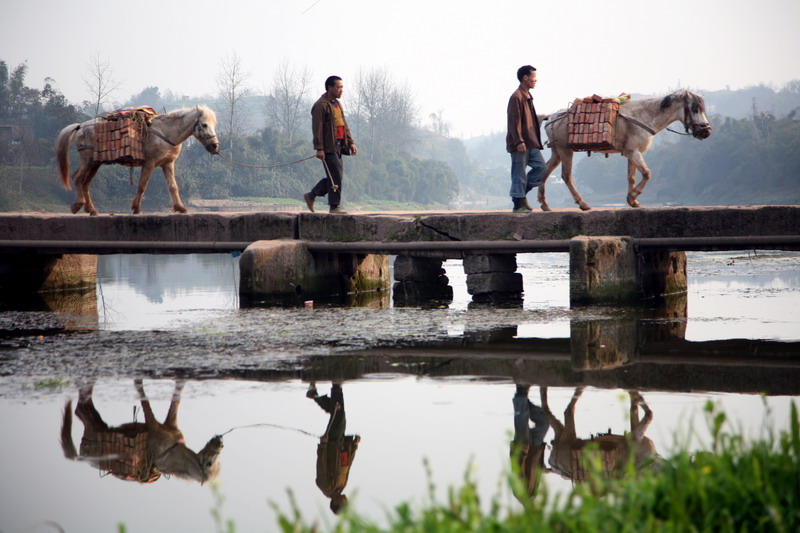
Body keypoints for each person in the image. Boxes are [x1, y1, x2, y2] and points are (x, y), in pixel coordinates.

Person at [304, 76, 358, 214]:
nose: (341, 90)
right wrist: (319, 148)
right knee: (336, 177)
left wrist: (350, 142)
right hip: (328, 147)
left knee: (334, 176)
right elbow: (317, 129)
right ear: (329, 87)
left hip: (340, 146)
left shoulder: (337, 104)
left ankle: (311, 195)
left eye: (342, 87)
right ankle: (334, 207)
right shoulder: (320, 105)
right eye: (338, 87)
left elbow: (344, 125)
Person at [307, 382, 360, 514]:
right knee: (337, 411)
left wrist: (323, 445)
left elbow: (321, 464)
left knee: (339, 415)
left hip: (331, 443)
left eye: (344, 504)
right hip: (342, 443)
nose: (346, 501)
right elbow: (347, 464)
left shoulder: (325, 486)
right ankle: (313, 395)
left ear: (336, 503)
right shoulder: (341, 486)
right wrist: (354, 445)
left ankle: (336, 385)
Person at [506, 65, 547, 213]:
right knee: (519, 173)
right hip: (521, 143)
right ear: (525, 78)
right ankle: (518, 204)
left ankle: (520, 195)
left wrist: (544, 117)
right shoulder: (517, 97)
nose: (536, 80)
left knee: (542, 168)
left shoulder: (527, 96)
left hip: (531, 143)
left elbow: (528, 120)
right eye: (534, 77)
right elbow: (514, 121)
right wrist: (519, 141)